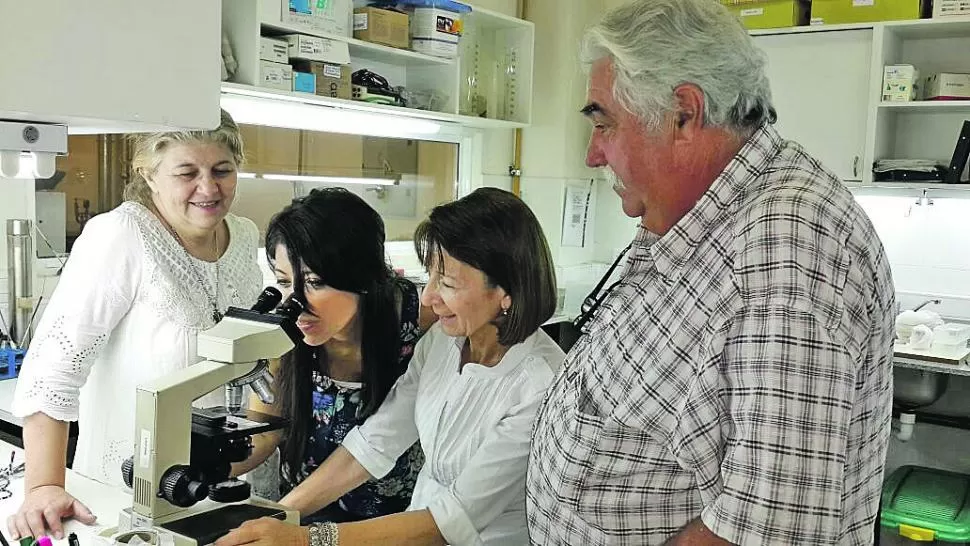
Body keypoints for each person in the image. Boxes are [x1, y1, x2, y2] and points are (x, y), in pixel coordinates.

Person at [527, 1, 896, 545]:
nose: (593, 154)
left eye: (604, 124)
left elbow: (765, 532)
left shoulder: (789, 239)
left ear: (683, 114)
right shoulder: (697, 213)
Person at [216, 187, 564, 546]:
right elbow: (372, 444)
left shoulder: (541, 385)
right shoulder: (445, 343)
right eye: (429, 276)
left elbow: (452, 521)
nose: (428, 297)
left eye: (445, 283)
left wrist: (306, 540)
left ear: (505, 291)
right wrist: (276, 519)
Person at [8, 110, 263, 541]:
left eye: (223, 170)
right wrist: (44, 487)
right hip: (123, 491)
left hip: (216, 486)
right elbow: (52, 371)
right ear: (148, 174)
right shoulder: (121, 234)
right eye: (187, 172)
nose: (208, 187)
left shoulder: (244, 235)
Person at [229, 187, 426, 523]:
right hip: (303, 512)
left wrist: (276, 520)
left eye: (315, 282)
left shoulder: (418, 321)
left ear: (362, 275)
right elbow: (265, 430)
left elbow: (369, 452)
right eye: (284, 282)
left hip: (393, 526)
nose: (297, 303)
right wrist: (202, 466)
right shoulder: (284, 331)